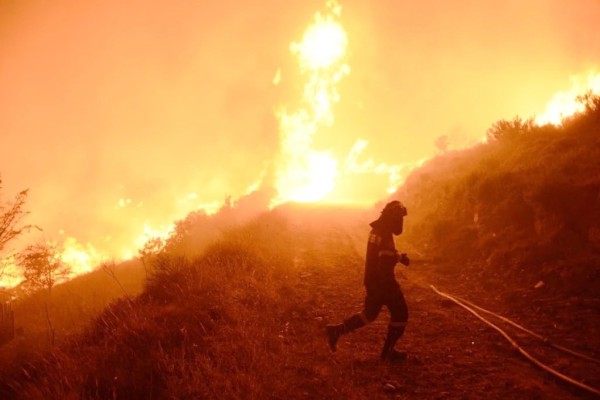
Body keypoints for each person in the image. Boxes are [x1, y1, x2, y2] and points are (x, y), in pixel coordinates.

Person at [326, 200, 410, 362]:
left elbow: (381, 255)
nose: (401, 222)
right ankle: (388, 354)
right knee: (401, 314)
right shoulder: (384, 233)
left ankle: (336, 331)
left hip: (372, 281)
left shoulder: (378, 230)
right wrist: (391, 280)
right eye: (399, 218)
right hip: (384, 282)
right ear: (393, 217)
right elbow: (384, 261)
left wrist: (398, 257)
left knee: (369, 314)